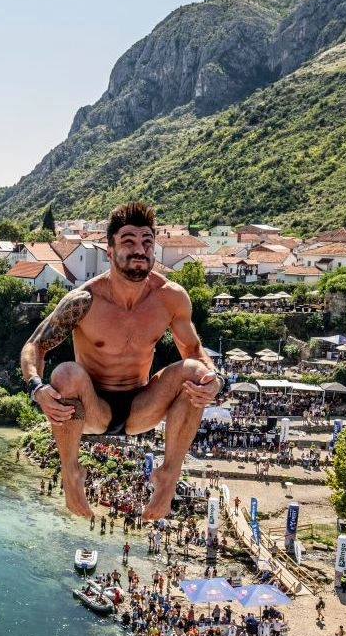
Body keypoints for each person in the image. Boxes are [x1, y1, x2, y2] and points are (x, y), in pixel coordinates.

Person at [20, 202, 220, 521]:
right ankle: (71, 471)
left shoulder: (170, 297)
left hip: (141, 407)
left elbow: (193, 350)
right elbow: (34, 346)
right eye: (128, 241)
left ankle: (169, 474)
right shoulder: (84, 301)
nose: (139, 250)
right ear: (110, 250)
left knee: (197, 372)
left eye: (146, 242)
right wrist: (37, 388)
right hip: (92, 408)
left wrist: (215, 379)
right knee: (66, 373)